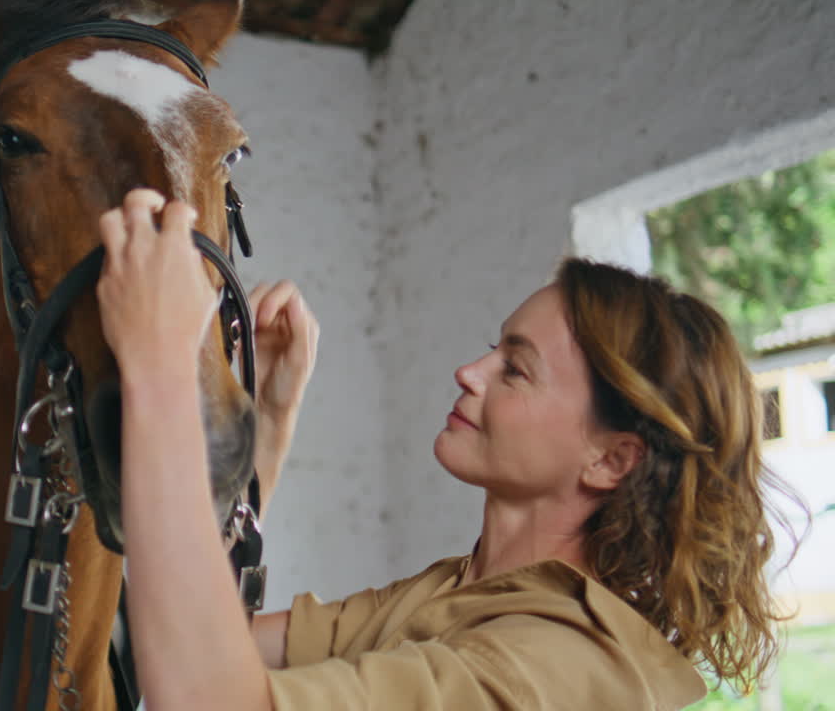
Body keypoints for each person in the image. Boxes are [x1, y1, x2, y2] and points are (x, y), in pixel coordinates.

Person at [95, 189, 793, 710]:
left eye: (514, 369)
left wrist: (158, 366)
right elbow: (205, 635)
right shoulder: (459, 591)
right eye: (495, 350)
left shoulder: (549, 666)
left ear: (612, 459)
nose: (470, 373)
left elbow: (205, 695)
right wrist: (270, 419)